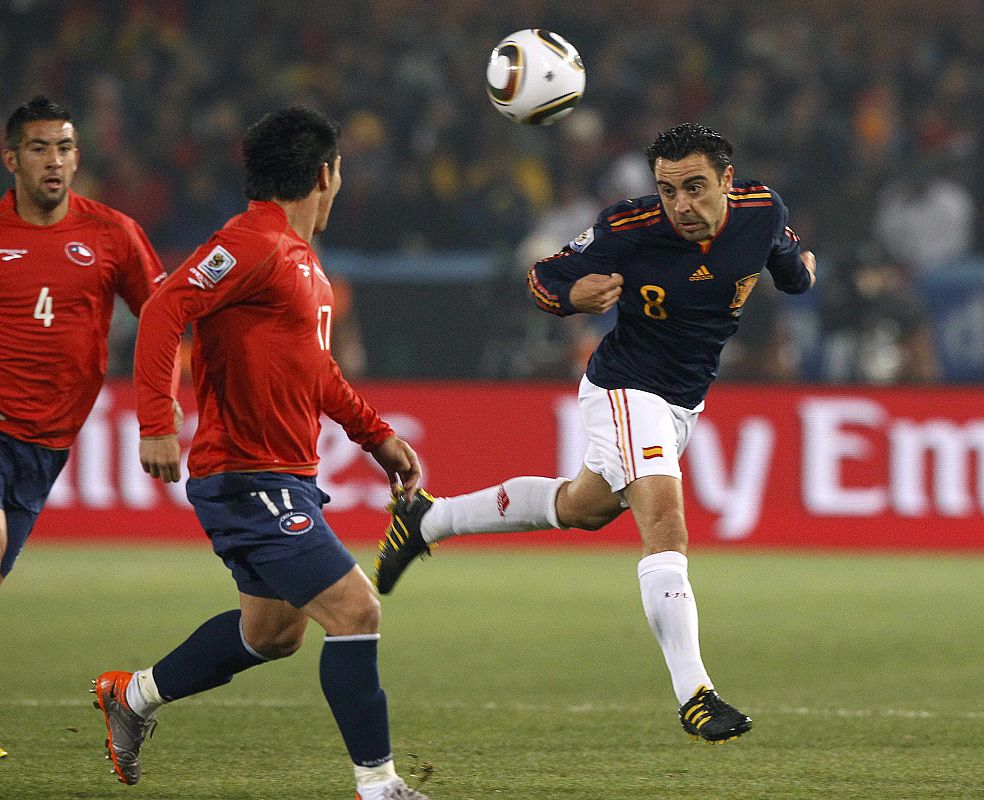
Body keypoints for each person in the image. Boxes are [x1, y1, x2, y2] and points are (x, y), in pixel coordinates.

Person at [375, 123, 816, 744]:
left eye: (695, 187)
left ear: (725, 180)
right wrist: (570, 297)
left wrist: (802, 272)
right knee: (665, 523)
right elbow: (542, 276)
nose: (681, 205)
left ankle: (427, 520)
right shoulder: (628, 227)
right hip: (626, 386)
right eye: (668, 190)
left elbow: (793, 273)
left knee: (581, 508)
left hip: (682, 403)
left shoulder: (761, 210)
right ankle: (695, 693)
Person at [90, 106, 430, 800]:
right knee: (356, 609)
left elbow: (317, 371)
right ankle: (381, 787)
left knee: (273, 633)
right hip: (249, 476)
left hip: (285, 476)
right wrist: (157, 418)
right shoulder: (253, 242)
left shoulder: (300, 262)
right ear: (326, 174)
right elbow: (162, 309)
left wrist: (376, 435)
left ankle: (132, 697)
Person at [0, 95, 177, 590]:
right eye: (39, 148)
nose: (54, 160)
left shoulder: (113, 234)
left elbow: (163, 319)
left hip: (47, 440)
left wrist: (159, 416)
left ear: (77, 157)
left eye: (64, 147)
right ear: (12, 159)